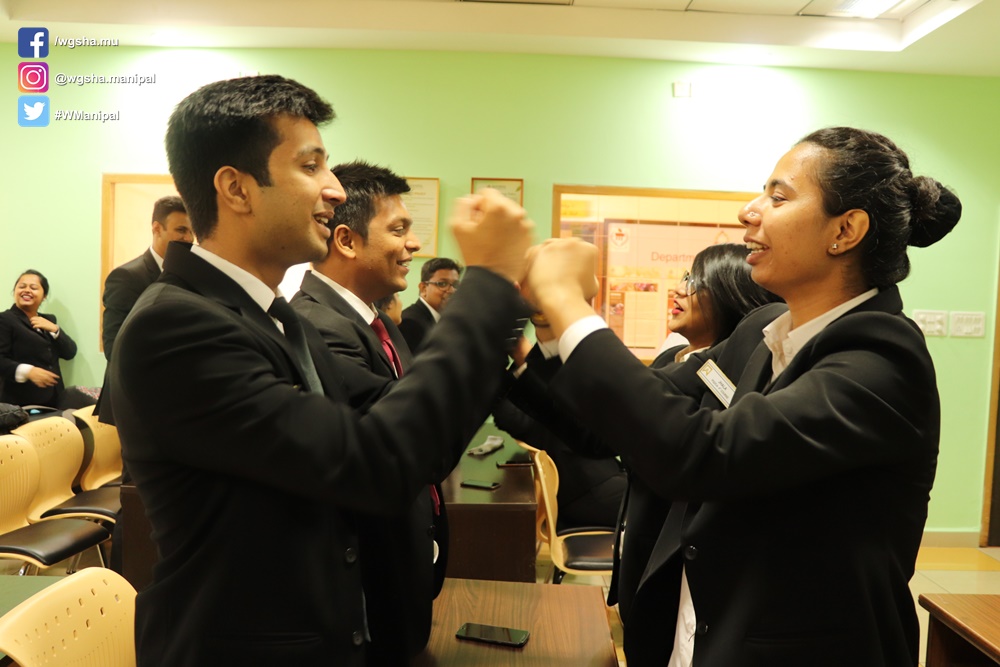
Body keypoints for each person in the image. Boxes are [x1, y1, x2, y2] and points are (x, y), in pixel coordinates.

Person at [102, 74, 532, 667]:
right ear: (236, 189)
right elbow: (374, 460)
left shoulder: (273, 314)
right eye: (310, 166)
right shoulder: (175, 327)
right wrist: (488, 284)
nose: (333, 189)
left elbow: (400, 430)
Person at [520, 127, 961, 666]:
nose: (748, 212)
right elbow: (621, 423)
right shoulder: (761, 330)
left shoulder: (881, 361)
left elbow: (699, 452)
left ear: (845, 230)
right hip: (696, 636)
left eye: (779, 197)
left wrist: (569, 301)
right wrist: (546, 325)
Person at [289, 159, 445, 664]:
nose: (413, 244)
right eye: (398, 230)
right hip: (369, 580)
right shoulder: (319, 326)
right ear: (347, 240)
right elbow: (406, 432)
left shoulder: (376, 320)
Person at [102, 195, 193, 360]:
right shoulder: (126, 278)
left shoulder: (189, 277)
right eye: (181, 230)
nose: (188, 238)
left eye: (191, 232)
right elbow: (114, 348)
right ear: (157, 229)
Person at [0, 270, 87, 409]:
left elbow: (69, 352)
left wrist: (55, 330)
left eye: (33, 287)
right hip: (20, 404)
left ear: (44, 296)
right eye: (22, 286)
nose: (27, 290)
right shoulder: (5, 319)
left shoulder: (49, 320)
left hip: (55, 400)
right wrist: (28, 371)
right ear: (14, 291)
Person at [398, 256, 462, 352]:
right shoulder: (410, 323)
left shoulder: (445, 320)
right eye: (442, 284)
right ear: (423, 288)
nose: (452, 290)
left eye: (456, 285)